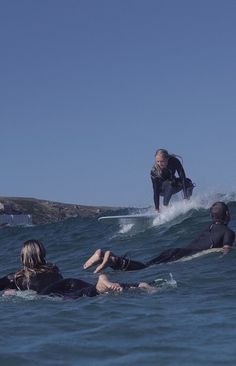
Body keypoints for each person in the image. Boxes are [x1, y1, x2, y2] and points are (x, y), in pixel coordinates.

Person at [83, 202, 235, 273]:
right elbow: (226, 252)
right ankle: (112, 260)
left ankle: (104, 256)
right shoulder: (229, 232)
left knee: (146, 265)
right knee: (144, 268)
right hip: (182, 255)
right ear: (227, 215)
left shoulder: (207, 227)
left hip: (176, 250)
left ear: (211, 216)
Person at [0, 240, 154, 298]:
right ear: (43, 254)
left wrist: (12, 292)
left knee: (84, 293)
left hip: (54, 292)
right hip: (71, 282)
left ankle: (101, 285)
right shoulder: (53, 269)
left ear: (23, 258)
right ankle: (138, 285)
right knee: (88, 288)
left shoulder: (16, 277)